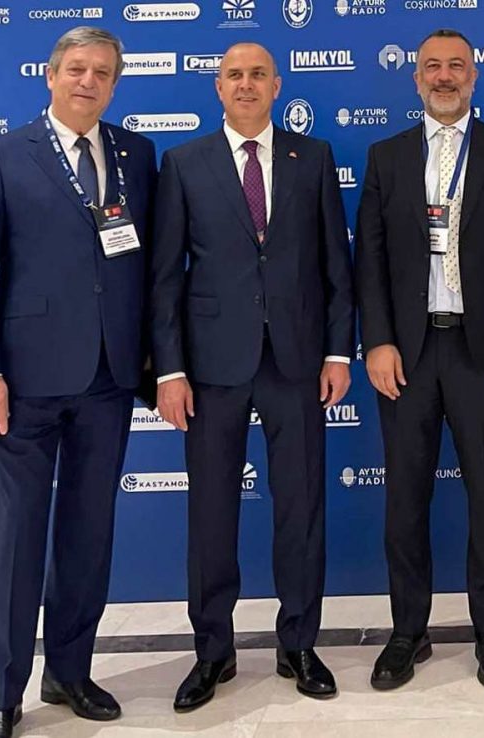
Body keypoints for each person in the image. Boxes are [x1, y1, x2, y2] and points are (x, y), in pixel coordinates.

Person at [0, 26, 156, 738]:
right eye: (76, 69)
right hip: (26, 380)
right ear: (51, 75)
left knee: (87, 535)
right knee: (17, 539)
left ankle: (70, 672)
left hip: (108, 377)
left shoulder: (136, 154)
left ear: (115, 83)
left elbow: (147, 268)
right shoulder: (5, 155)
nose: (88, 81)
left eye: (102, 72)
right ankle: (2, 696)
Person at [151, 42, 354, 711]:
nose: (246, 84)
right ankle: (213, 649)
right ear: (218, 86)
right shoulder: (183, 163)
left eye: (257, 75)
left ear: (277, 85)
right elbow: (165, 278)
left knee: (301, 507)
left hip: (297, 361)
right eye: (234, 75)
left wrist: (337, 354)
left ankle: (299, 643)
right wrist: (170, 369)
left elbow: (335, 265)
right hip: (212, 367)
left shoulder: (312, 157)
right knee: (212, 513)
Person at [355, 28, 484, 691]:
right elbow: (369, 257)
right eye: (432, 67)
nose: (443, 76)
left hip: (481, 350)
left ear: (473, 76)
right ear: (416, 79)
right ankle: (409, 631)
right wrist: (377, 340)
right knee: (405, 497)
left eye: (455, 66)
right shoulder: (386, 155)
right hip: (406, 353)